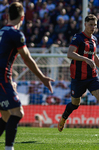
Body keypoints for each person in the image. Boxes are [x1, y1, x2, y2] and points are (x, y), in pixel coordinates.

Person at [0, 2, 54, 150]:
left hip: (4, 80)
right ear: (23, 18)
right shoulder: (16, 34)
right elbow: (28, 59)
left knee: (5, 115)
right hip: (2, 80)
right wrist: (43, 78)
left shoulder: (2, 32)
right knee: (18, 112)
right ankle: (9, 148)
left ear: (7, 16)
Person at [58, 14, 99, 138]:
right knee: (75, 105)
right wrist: (85, 59)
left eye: (95, 25)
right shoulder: (78, 38)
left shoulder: (94, 39)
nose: (93, 27)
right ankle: (63, 118)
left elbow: (94, 56)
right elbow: (69, 54)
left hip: (92, 76)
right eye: (90, 25)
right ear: (85, 24)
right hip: (78, 78)